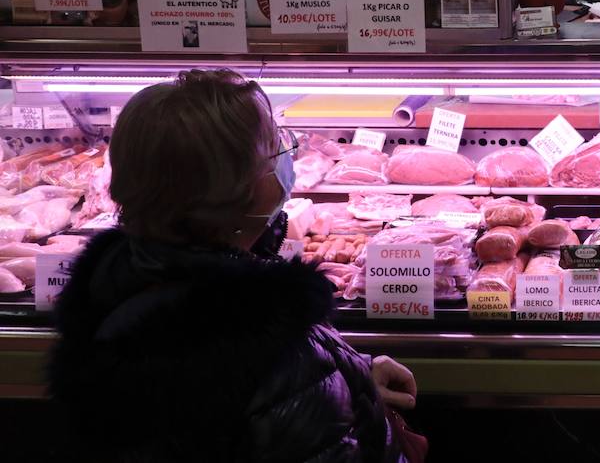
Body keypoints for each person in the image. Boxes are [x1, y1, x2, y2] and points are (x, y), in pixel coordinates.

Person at [49, 70, 420, 462]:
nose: (288, 157)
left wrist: (351, 379)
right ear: (240, 190)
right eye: (276, 147)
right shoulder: (265, 340)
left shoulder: (125, 286)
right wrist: (318, 387)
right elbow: (281, 398)